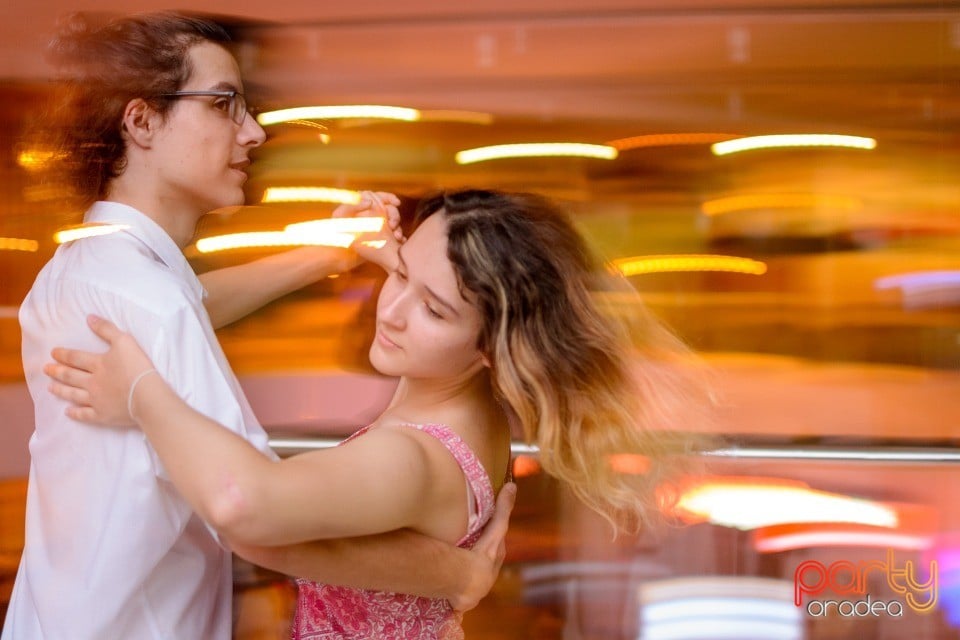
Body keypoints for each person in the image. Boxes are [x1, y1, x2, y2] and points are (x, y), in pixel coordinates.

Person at [3, 12, 513, 640]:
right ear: (141, 122)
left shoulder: (77, 271)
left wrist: (327, 253)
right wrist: (459, 576)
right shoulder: (154, 304)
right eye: (224, 105)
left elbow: (188, 305)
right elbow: (261, 520)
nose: (255, 132)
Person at [44, 188, 710, 639]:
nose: (390, 311)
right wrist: (333, 251)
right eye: (398, 273)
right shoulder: (472, 408)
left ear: (491, 347)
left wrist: (142, 394)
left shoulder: (410, 455)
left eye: (433, 310)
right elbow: (174, 313)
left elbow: (244, 513)